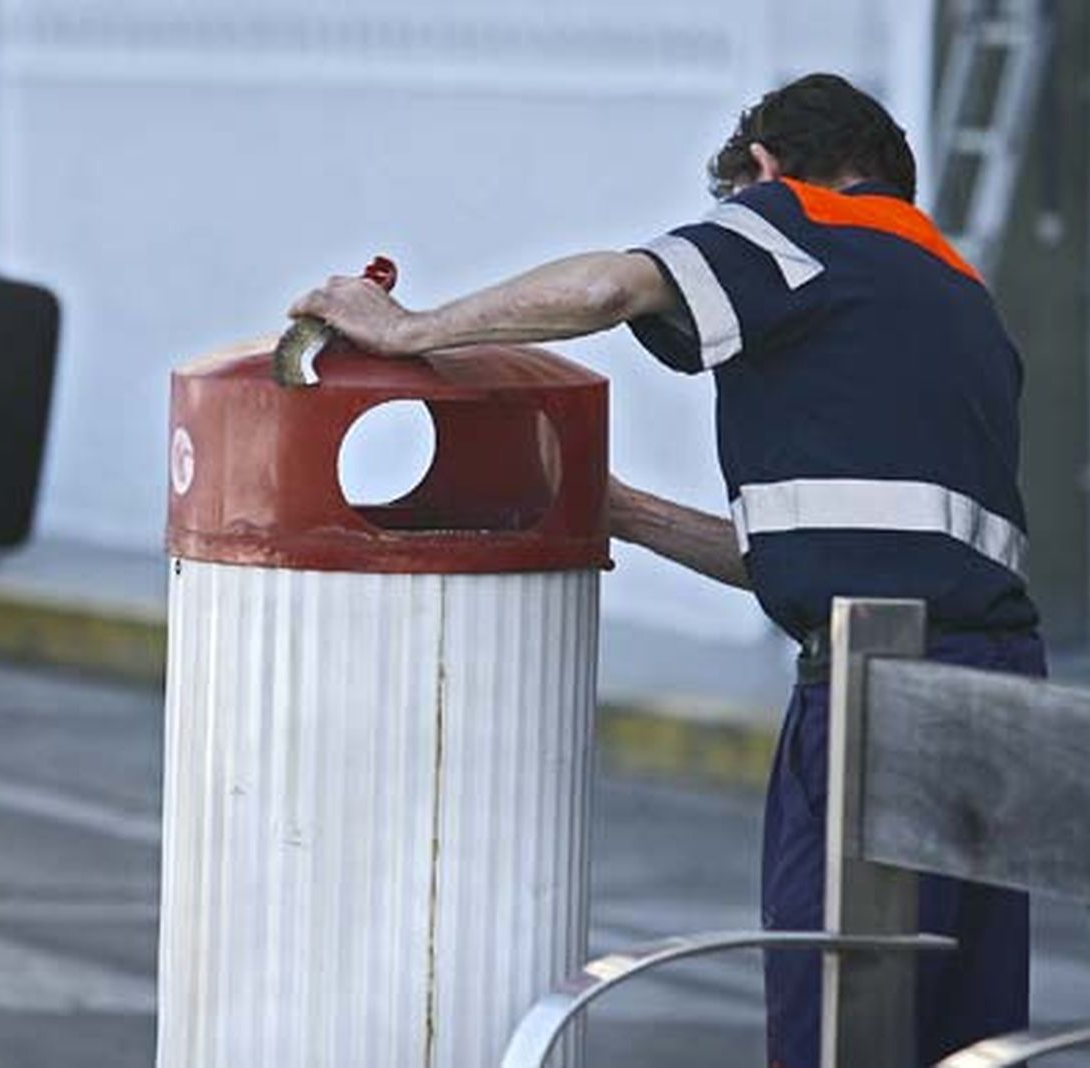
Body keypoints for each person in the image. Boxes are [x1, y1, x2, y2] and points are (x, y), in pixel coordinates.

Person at [290, 71, 1044, 1068]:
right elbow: (845, 552)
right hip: (1002, 691)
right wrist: (626, 514)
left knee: (842, 1028)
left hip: (879, 698)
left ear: (766, 170)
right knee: (967, 1040)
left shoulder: (795, 219)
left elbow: (611, 288)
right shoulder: (958, 298)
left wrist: (410, 331)